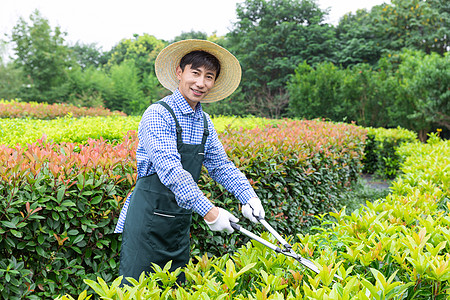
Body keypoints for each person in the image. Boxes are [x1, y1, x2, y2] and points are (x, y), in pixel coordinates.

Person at [114, 39, 265, 285]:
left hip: (178, 225)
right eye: (195, 73)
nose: (200, 83)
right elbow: (172, 172)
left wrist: (248, 196)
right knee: (137, 289)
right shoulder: (158, 114)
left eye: (209, 76)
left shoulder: (204, 121)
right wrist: (211, 212)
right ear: (179, 73)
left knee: (175, 288)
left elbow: (221, 166)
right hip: (147, 223)